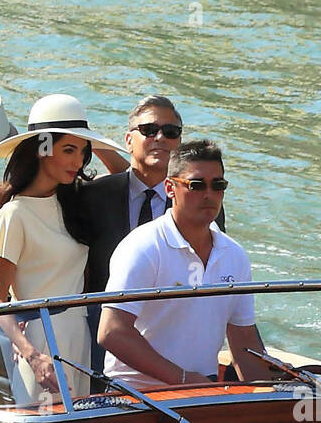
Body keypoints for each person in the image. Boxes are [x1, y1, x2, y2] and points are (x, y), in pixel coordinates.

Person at [0, 94, 124, 402]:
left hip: (79, 334)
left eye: (83, 153)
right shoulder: (14, 214)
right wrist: (32, 355)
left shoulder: (72, 202)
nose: (78, 162)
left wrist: (90, 140)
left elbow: (127, 181)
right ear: (41, 150)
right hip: (39, 341)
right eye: (68, 150)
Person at [98, 140, 266, 386]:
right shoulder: (143, 247)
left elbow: (244, 341)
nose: (209, 195)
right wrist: (184, 380)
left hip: (200, 389)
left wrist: (270, 402)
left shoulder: (235, 254)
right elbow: (112, 332)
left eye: (218, 185)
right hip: (136, 394)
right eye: (196, 185)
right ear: (169, 188)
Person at [79, 95, 226, 293]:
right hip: (103, 311)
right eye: (148, 130)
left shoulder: (200, 198)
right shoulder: (94, 195)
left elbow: (214, 267)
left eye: (171, 132)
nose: (160, 138)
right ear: (129, 141)